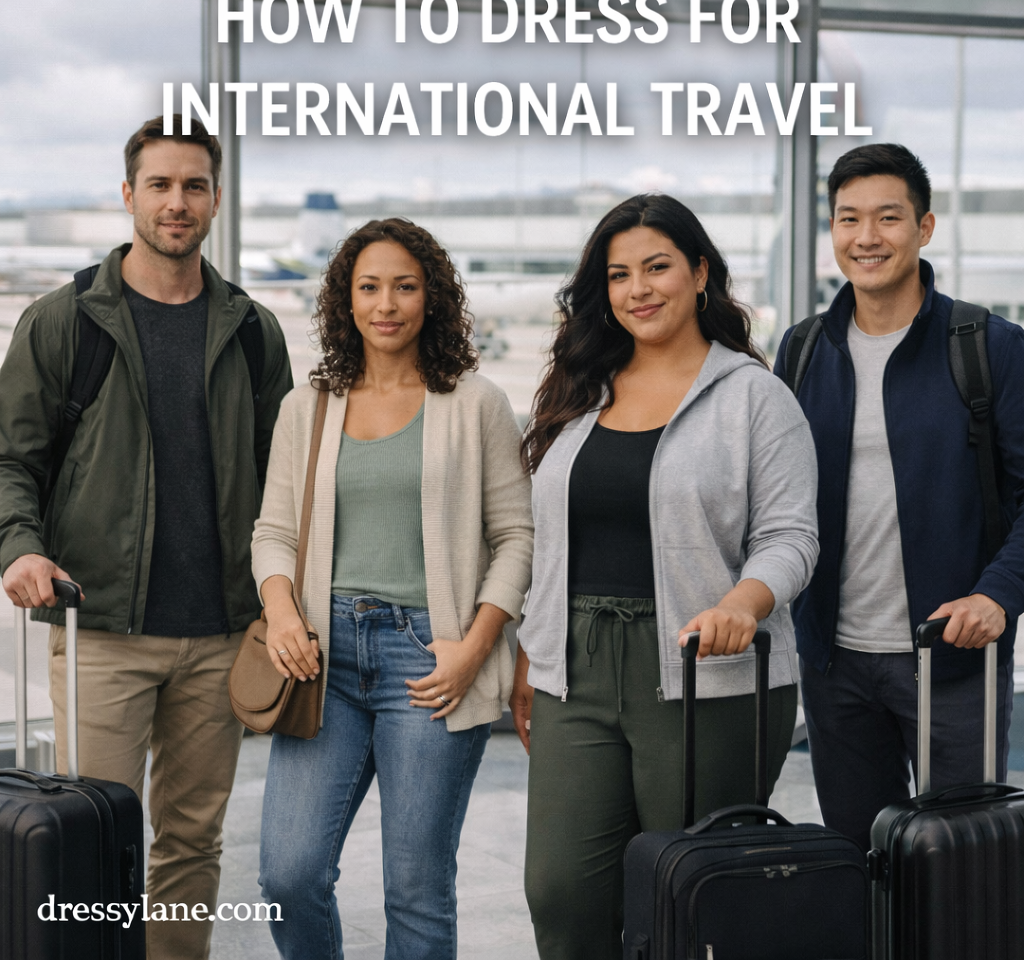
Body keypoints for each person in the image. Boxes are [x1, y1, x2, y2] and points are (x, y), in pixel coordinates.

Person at [0, 115, 293, 960]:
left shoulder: (249, 330)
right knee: (94, 840)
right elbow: (11, 459)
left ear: (216, 199)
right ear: (128, 194)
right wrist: (20, 547)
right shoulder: (65, 322)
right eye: (159, 185)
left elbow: (282, 480)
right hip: (102, 631)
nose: (177, 202)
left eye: (193, 186)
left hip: (219, 635)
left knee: (191, 844)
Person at [512, 193, 819, 960]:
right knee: (559, 891)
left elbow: (791, 537)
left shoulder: (754, 397)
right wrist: (532, 649)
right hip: (574, 668)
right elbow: (548, 536)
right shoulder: (580, 389)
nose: (638, 289)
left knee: (689, 898)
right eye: (619, 275)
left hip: (706, 670)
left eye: (657, 267)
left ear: (701, 274)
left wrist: (743, 605)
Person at [252, 217, 534, 960]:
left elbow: (517, 537)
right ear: (345, 302)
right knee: (288, 873)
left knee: (415, 890)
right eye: (369, 287)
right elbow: (273, 532)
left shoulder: (476, 404)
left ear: (431, 298)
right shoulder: (305, 407)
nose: (387, 304)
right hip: (323, 658)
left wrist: (476, 649)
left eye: (405, 287)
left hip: (430, 659)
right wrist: (281, 612)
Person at [774, 143, 1024, 853]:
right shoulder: (801, 350)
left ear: (925, 227)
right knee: (859, 863)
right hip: (835, 663)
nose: (866, 237)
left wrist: (997, 596)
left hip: (950, 657)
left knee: (959, 866)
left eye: (888, 218)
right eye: (848, 219)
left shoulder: (988, 347)